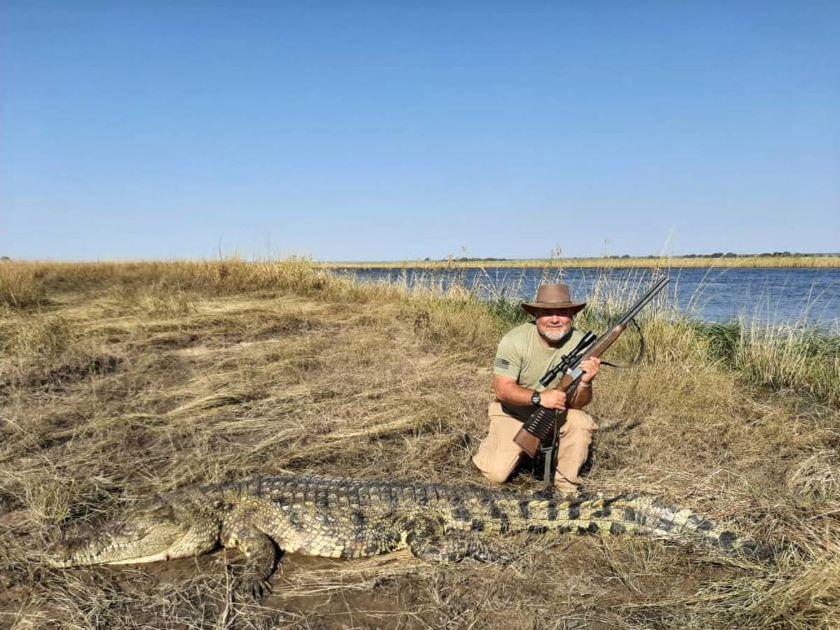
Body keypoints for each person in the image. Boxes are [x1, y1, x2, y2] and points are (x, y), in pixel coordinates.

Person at [472, 283, 601, 493]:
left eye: (562, 313)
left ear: (572, 315)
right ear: (536, 315)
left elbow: (579, 403)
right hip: (513, 413)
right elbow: (502, 390)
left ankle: (567, 488)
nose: (555, 319)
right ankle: (518, 454)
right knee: (495, 475)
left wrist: (586, 382)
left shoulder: (583, 344)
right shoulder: (514, 340)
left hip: (557, 414)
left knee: (580, 421)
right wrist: (539, 398)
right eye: (548, 313)